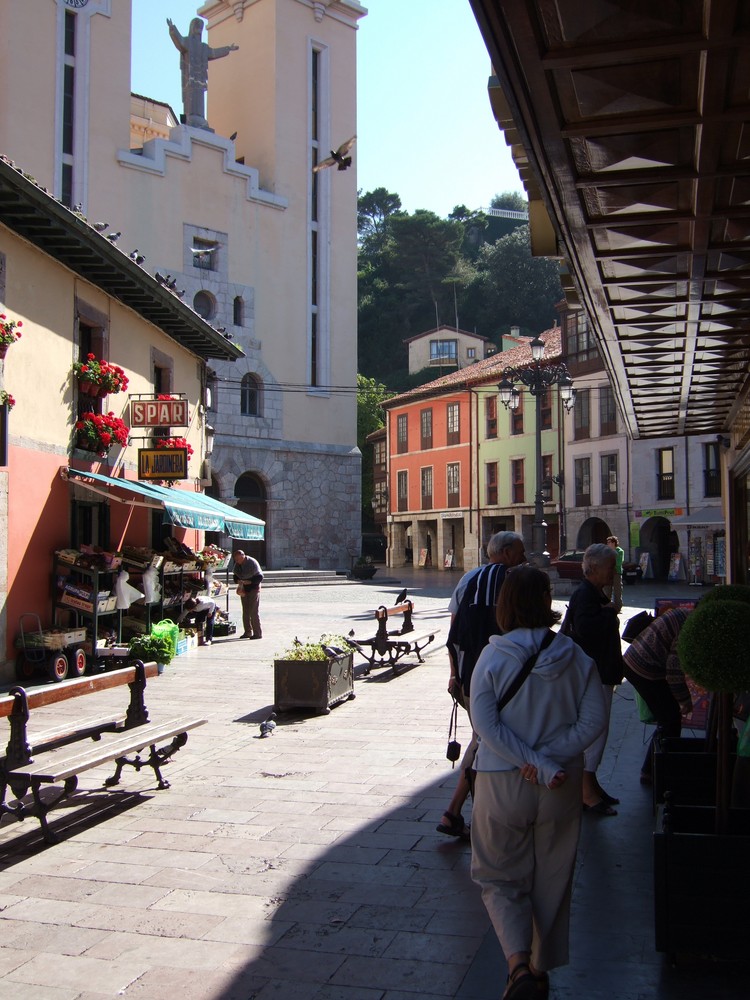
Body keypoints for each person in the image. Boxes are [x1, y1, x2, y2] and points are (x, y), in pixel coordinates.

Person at [470, 566, 607, 1000]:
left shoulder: (491, 656)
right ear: (547, 602)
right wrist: (548, 760)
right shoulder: (575, 655)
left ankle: (517, 966)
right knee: (552, 875)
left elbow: (485, 725)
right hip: (559, 783)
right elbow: (595, 721)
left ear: (505, 603)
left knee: (498, 876)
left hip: (500, 780)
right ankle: (539, 965)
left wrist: (530, 760)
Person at [437, 531, 527, 840]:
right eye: (519, 551)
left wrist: (453, 674)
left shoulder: (468, 580)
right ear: (504, 553)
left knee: (482, 738)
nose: (524, 557)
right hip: (501, 679)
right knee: (484, 742)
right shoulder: (515, 581)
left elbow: (453, 636)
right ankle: (459, 812)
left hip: (467, 678)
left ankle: (458, 811)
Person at [566, 542, 624, 815]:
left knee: (600, 730)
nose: (614, 573)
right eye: (611, 568)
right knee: (596, 731)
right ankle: (586, 791)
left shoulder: (593, 594)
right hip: (593, 674)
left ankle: (592, 783)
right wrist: (609, 613)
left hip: (599, 671)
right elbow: (585, 629)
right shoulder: (586, 596)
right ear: (596, 568)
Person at [622, 608, 693, 782]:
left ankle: (657, 767)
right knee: (670, 719)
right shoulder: (687, 628)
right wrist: (684, 700)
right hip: (644, 668)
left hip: (639, 662)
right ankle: (654, 770)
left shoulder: (683, 615)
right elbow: (673, 671)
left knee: (668, 718)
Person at [167, 17, 238, 130]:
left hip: (200, 78)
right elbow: (179, 40)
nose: (199, 29)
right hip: (190, 78)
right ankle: (191, 117)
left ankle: (199, 118)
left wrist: (228, 48)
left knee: (199, 98)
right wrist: (172, 28)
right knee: (191, 97)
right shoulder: (188, 42)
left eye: (201, 27)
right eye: (197, 26)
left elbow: (214, 52)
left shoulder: (203, 47)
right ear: (193, 28)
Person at [233, 549, 263, 639]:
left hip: (253, 588)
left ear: (243, 556)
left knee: (253, 611)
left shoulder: (252, 562)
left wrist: (249, 582)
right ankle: (247, 632)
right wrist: (238, 581)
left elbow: (259, 577)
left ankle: (257, 633)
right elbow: (235, 575)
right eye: (236, 560)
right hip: (243, 589)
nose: (237, 561)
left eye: (238, 559)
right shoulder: (237, 564)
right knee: (245, 611)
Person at [606, 535, 624, 612]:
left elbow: (618, 562)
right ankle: (607, 606)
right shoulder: (607, 551)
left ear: (613, 543)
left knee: (617, 590)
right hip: (608, 573)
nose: (607, 544)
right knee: (606, 589)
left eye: (609, 542)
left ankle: (617, 607)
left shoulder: (619, 551)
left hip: (616, 573)